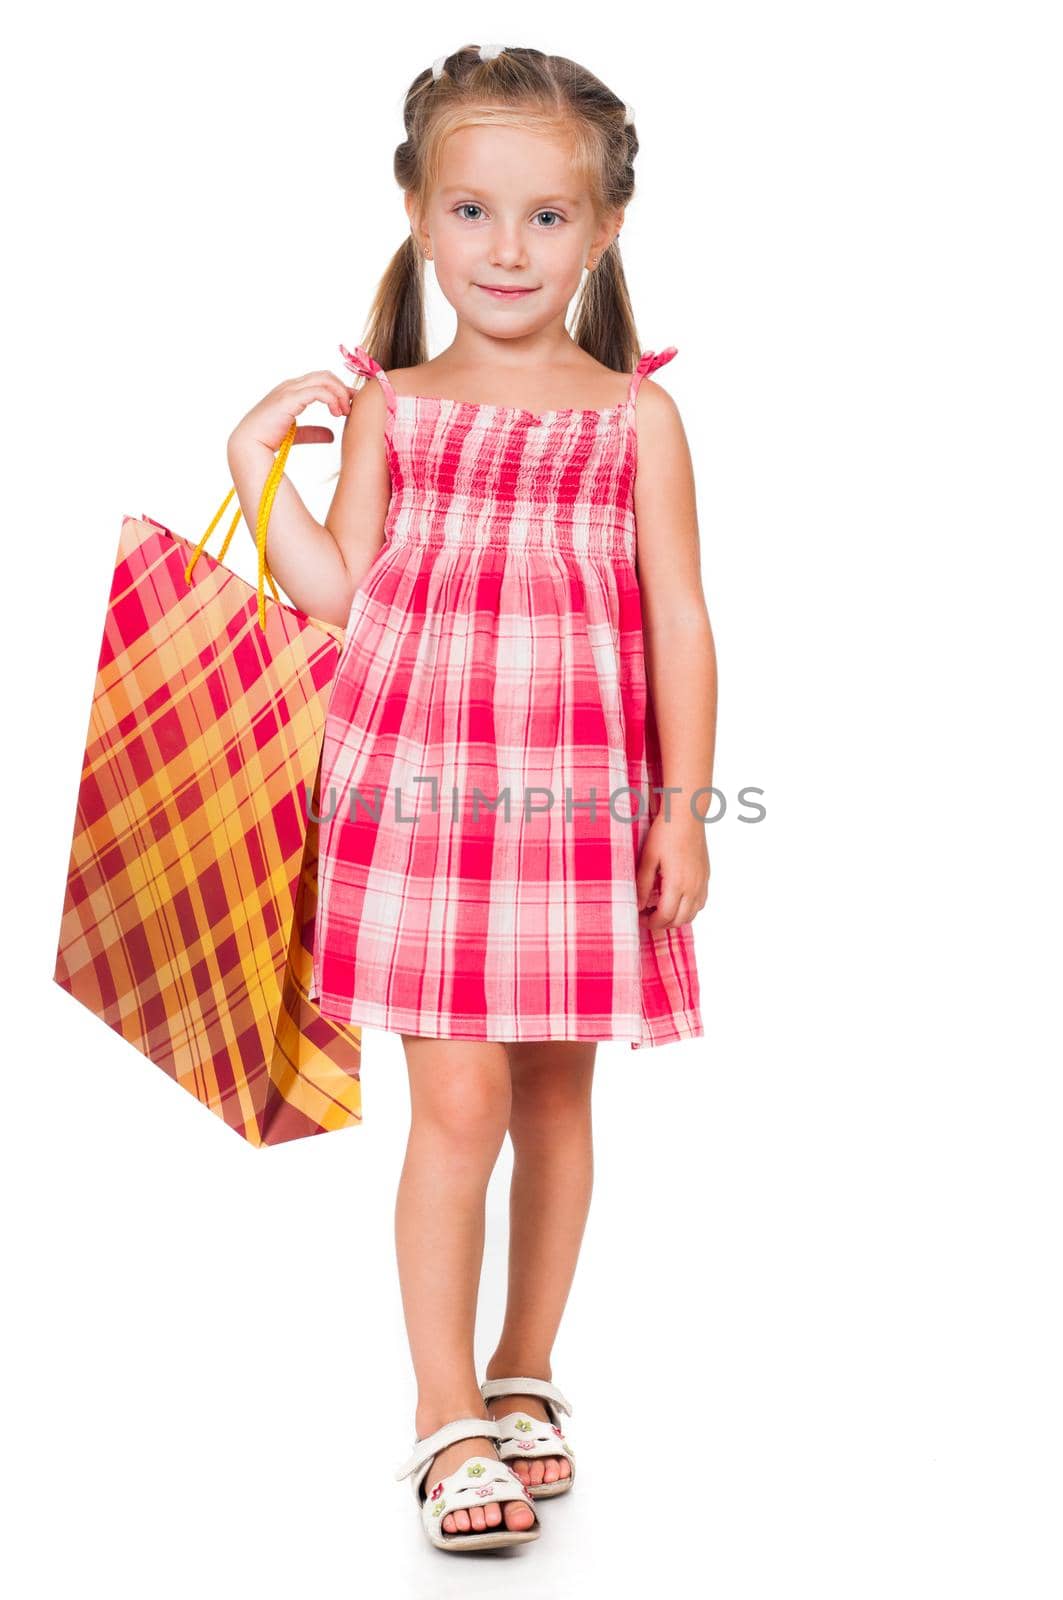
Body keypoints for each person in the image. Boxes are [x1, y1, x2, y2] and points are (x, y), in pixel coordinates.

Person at [226, 42, 718, 1554]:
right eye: (473, 210)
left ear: (606, 228)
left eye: (548, 218)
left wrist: (685, 807)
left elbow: (682, 616)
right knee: (457, 1101)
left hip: (578, 805)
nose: (508, 249)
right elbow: (339, 600)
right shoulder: (395, 409)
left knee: (560, 1091)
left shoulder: (635, 416)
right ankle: (446, 1413)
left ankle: (526, 1373)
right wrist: (260, 472)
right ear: (417, 213)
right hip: (421, 809)